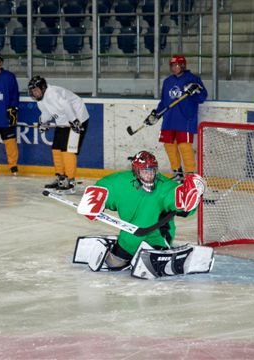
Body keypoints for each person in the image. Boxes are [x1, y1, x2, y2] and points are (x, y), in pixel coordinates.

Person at [72, 151, 212, 279]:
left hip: (158, 237)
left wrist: (189, 198)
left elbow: (179, 204)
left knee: (147, 217)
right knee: (118, 259)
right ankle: (126, 252)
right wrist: (95, 200)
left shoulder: (165, 186)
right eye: (144, 171)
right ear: (136, 171)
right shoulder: (121, 182)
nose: (149, 175)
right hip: (129, 236)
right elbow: (105, 186)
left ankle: (150, 251)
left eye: (151, 171)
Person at [147, 54, 207, 182]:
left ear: (183, 65)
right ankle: (177, 172)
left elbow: (202, 97)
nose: (175, 68)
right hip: (169, 119)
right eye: (173, 65)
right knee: (169, 145)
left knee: (185, 147)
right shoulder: (168, 81)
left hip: (185, 119)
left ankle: (190, 175)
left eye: (177, 65)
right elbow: (164, 101)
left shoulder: (192, 79)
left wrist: (195, 91)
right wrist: (156, 113)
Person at [28, 76, 89, 195]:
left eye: (36, 90)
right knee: (56, 148)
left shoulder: (52, 94)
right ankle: (61, 178)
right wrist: (43, 123)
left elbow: (66, 104)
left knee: (68, 150)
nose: (34, 93)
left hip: (78, 117)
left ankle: (70, 181)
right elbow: (46, 113)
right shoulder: (41, 100)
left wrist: (74, 121)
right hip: (63, 121)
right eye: (32, 91)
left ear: (43, 88)